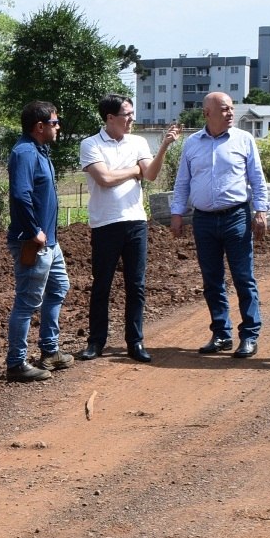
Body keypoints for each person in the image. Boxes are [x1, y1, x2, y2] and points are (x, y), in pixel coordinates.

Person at [77, 95, 181, 363]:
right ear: (110, 118)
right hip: (105, 223)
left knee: (136, 285)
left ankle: (135, 341)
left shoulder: (138, 142)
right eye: (126, 115)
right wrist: (135, 169)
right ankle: (96, 341)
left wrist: (164, 148)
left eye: (132, 113)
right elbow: (105, 179)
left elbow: (151, 175)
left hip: (135, 222)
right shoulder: (90, 144)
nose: (132, 119)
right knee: (102, 285)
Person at [168, 91, 267, 358]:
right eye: (224, 108)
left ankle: (249, 335)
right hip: (203, 220)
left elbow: (257, 178)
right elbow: (183, 182)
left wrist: (261, 210)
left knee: (243, 277)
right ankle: (221, 334)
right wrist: (177, 213)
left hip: (236, 216)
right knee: (212, 280)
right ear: (207, 113)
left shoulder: (244, 140)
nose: (230, 112)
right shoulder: (192, 143)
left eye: (231, 108)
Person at [3, 100, 73, 382]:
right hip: (33, 242)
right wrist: (34, 231)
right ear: (39, 126)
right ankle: (16, 364)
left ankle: (50, 351)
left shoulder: (39, 151)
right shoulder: (24, 153)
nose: (58, 127)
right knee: (27, 301)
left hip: (49, 243)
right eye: (55, 123)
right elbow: (21, 195)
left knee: (58, 288)